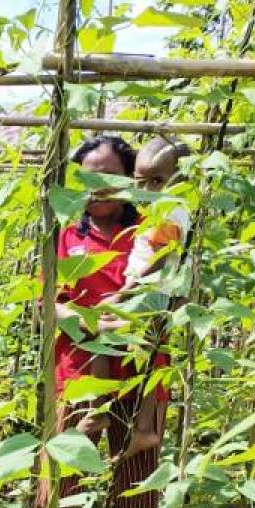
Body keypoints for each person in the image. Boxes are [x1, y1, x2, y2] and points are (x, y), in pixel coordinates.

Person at [40, 135, 168, 508]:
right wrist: (90, 320)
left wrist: (134, 316)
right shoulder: (66, 236)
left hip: (140, 374)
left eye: (111, 176)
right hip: (78, 375)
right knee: (61, 476)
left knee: (138, 483)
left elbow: (177, 294)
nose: (98, 187)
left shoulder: (153, 231)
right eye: (87, 178)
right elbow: (48, 305)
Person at [87, 137, 191, 460]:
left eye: (156, 181)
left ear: (181, 179)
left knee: (100, 331)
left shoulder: (171, 211)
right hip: (151, 294)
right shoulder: (163, 209)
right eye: (139, 182)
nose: (146, 188)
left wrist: (123, 292)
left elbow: (158, 258)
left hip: (148, 295)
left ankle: (100, 408)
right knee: (149, 356)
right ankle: (139, 426)